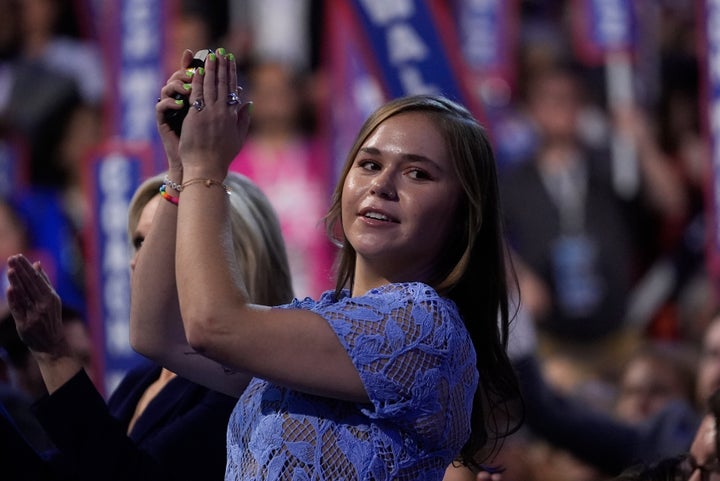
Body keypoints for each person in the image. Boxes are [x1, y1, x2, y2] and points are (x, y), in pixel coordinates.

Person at [130, 48, 523, 479]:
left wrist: (206, 168)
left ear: (465, 215)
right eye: (370, 164)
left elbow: (212, 327)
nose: (382, 186)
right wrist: (180, 169)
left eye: (418, 174)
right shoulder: (317, 319)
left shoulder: (423, 327)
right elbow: (158, 335)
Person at [0, 171, 294, 481]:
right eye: (139, 242)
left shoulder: (244, 384)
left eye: (163, 241)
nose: (137, 261)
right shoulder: (142, 379)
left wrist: (54, 353)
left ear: (234, 255)